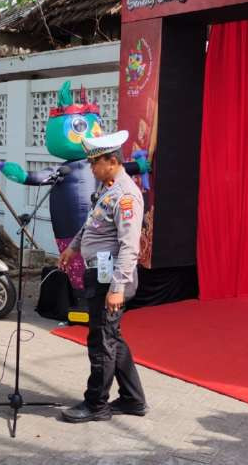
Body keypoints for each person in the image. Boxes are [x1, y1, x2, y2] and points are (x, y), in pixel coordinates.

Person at [59, 130, 147, 423]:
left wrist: (117, 288)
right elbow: (91, 226)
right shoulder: (108, 189)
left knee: (101, 341)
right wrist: (72, 248)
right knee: (112, 338)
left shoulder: (125, 196)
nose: (91, 168)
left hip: (112, 279)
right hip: (99, 273)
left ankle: (96, 404)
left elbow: (129, 245)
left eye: (95, 163)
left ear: (111, 161)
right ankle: (133, 400)